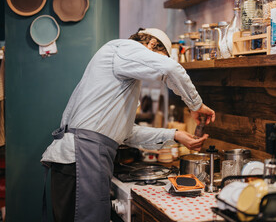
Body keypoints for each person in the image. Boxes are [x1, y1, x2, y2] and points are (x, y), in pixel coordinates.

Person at [41, 28, 215, 222]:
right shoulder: (123, 47)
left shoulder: (124, 77)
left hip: (81, 157)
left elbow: (125, 133)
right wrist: (196, 105)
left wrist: (174, 135)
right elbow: (171, 68)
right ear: (150, 43)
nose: (155, 66)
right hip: (81, 157)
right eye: (161, 57)